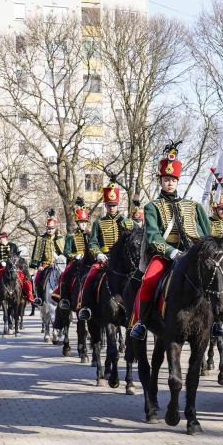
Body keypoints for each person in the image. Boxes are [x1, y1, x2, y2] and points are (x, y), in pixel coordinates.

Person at [129, 143, 210, 339]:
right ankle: (142, 321)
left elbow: (206, 234)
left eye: (173, 180)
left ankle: (213, 322)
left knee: (211, 278)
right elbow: (153, 236)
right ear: (161, 181)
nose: (170, 183)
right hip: (166, 256)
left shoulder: (193, 206)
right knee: (148, 281)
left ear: (177, 181)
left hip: (190, 254)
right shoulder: (152, 207)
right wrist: (172, 252)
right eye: (166, 179)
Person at [78, 183, 129, 317]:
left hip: (123, 260)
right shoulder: (98, 223)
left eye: (114, 205)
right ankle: (86, 308)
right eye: (109, 205)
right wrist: (98, 254)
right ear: (105, 206)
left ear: (118, 205)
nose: (112, 208)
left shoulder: (128, 222)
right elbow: (93, 243)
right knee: (88, 277)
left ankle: (142, 313)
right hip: (105, 258)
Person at [52, 201, 92, 306]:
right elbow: (66, 252)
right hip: (76, 263)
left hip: (89, 262)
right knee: (65, 275)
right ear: (77, 222)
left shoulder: (91, 235)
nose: (83, 224)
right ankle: (64, 298)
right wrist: (75, 256)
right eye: (81, 222)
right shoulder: (71, 235)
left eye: (85, 222)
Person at [0, 232, 34, 304]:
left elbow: (17, 255)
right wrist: (0, 261)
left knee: (24, 277)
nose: (0, 240)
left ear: (5, 238)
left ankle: (28, 293)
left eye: (1, 238)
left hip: (13, 265)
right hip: (1, 266)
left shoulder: (13, 245)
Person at [29, 211, 63, 304]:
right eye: (48, 228)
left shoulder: (60, 239)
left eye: (52, 228)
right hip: (45, 264)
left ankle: (66, 299)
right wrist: (39, 265)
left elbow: (64, 253)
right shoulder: (41, 239)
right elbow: (37, 253)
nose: (50, 230)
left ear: (55, 228)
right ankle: (39, 298)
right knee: (37, 278)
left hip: (58, 264)